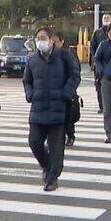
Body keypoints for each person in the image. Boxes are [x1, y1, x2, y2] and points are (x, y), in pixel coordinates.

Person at [24, 27, 81, 191]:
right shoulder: (32, 60)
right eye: (38, 38)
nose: (40, 41)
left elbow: (75, 76)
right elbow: (26, 80)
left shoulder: (64, 56)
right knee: (34, 142)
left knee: (56, 148)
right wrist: (30, 94)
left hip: (58, 110)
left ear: (51, 40)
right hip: (38, 109)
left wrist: (66, 93)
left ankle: (52, 178)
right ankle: (47, 166)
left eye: (43, 38)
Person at [51, 30, 81, 147]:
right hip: (53, 92)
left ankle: (70, 135)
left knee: (67, 117)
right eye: (51, 42)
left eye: (55, 42)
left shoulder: (68, 54)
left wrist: (68, 91)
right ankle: (56, 138)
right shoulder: (47, 55)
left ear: (61, 41)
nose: (53, 45)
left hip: (66, 91)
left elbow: (75, 74)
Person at [89, 12, 111, 112]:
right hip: (99, 64)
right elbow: (92, 48)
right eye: (104, 17)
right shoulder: (97, 33)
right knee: (99, 85)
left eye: (108, 17)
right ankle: (102, 106)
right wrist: (95, 62)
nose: (106, 19)